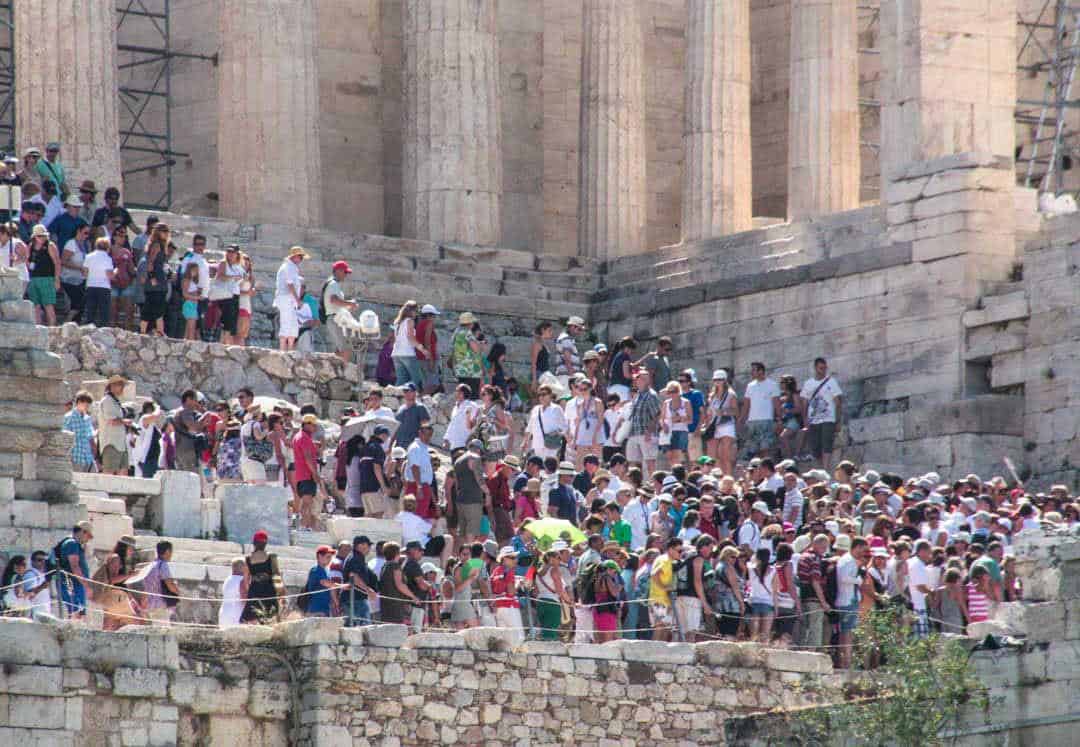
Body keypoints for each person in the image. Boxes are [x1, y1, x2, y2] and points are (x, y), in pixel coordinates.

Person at [801, 357, 844, 470]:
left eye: (825, 368)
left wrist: (838, 420)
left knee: (827, 444)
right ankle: (821, 468)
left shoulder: (831, 382)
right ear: (815, 368)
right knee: (815, 447)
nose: (823, 370)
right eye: (821, 368)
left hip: (828, 418)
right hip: (813, 419)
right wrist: (805, 419)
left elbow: (838, 402)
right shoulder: (808, 383)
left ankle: (825, 468)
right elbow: (804, 403)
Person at [626, 369, 662, 474]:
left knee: (650, 462)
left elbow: (658, 414)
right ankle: (636, 482)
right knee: (633, 463)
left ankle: (651, 482)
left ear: (647, 380)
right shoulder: (638, 395)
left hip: (646, 434)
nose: (637, 380)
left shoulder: (651, 395)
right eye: (637, 378)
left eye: (640, 378)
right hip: (634, 433)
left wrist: (649, 431)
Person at [242, 531, 283, 623]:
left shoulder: (248, 559)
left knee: (252, 619)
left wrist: (249, 592)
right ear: (265, 543)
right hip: (269, 589)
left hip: (254, 590)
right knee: (271, 618)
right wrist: (281, 592)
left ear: (254, 543)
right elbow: (276, 575)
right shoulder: (271, 556)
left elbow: (246, 579)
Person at [704, 370, 739, 476]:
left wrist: (724, 412)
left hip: (727, 425)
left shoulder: (731, 394)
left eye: (720, 379)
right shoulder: (712, 395)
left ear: (725, 380)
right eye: (715, 380)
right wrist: (706, 424)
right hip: (714, 426)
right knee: (713, 455)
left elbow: (736, 411)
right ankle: (718, 476)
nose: (717, 382)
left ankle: (728, 477)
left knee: (725, 455)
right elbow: (709, 413)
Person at [293, 413, 325, 531]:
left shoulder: (300, 436)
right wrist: (315, 474)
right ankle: (303, 528)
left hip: (302, 475)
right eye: (313, 425)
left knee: (307, 502)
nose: (315, 428)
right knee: (307, 502)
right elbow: (307, 458)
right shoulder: (304, 438)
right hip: (307, 475)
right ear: (306, 424)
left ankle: (305, 527)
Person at [274, 246, 309, 351]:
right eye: (300, 256)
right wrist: (298, 300)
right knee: (286, 323)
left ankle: (289, 350)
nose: (301, 259)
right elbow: (290, 284)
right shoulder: (288, 267)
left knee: (293, 325)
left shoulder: (292, 267)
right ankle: (282, 350)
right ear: (294, 256)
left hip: (290, 300)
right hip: (286, 298)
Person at [648, 538, 683, 642]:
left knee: (665, 630)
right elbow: (654, 574)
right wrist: (665, 588)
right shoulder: (665, 559)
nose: (681, 554)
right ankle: (653, 651)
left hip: (665, 601)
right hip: (659, 600)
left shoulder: (668, 560)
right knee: (660, 629)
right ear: (671, 549)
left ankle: (659, 652)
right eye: (679, 551)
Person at [139, 223, 170, 335]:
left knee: (157, 308)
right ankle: (149, 331)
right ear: (157, 232)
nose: (166, 233)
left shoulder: (162, 245)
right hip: (155, 282)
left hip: (160, 281)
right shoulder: (156, 245)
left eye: (167, 231)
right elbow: (150, 263)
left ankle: (158, 331)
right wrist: (152, 277)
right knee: (152, 307)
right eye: (163, 231)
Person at [26, 223, 60, 325]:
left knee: (48, 305)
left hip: (47, 278)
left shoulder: (50, 245)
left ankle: (52, 329)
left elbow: (57, 262)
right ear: (34, 237)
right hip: (33, 278)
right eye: (39, 236)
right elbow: (27, 260)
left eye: (43, 235)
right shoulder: (31, 246)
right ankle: (38, 329)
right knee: (35, 306)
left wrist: (57, 279)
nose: (42, 238)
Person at [534, 549, 572, 640]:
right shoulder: (554, 570)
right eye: (558, 558)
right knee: (551, 632)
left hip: (540, 602)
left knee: (544, 630)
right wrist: (570, 602)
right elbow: (560, 591)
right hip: (552, 603)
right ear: (550, 559)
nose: (560, 560)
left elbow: (536, 591)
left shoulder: (538, 572)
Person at [526, 385, 568, 461]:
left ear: (550, 395)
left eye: (544, 394)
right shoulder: (535, 409)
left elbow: (565, 427)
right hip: (537, 444)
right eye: (539, 395)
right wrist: (525, 441)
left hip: (551, 444)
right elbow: (530, 427)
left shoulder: (556, 409)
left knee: (549, 466)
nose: (541, 397)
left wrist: (557, 433)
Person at [390, 299, 426, 386]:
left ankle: (395, 394)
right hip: (408, 353)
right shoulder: (410, 321)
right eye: (416, 311)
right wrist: (422, 349)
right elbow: (410, 338)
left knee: (401, 381)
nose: (417, 314)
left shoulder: (397, 322)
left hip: (396, 354)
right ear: (411, 311)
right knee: (417, 380)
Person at [142, 541, 179, 623]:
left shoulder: (151, 565)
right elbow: (170, 584)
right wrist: (179, 593)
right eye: (171, 551)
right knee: (163, 628)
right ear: (167, 551)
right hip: (161, 604)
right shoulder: (163, 565)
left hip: (150, 604)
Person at [450, 311, 485, 396]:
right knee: (472, 395)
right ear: (470, 323)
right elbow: (476, 349)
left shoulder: (457, 333)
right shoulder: (467, 333)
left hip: (461, 369)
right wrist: (481, 345)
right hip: (471, 371)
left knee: (463, 394)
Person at [304, 546, 342, 618]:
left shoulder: (326, 572)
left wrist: (337, 603)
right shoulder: (316, 570)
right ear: (319, 556)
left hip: (325, 609)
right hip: (315, 609)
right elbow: (325, 583)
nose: (330, 559)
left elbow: (331, 589)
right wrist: (342, 586)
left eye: (330, 557)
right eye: (328, 557)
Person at [219, 558, 249, 628]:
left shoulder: (227, 580)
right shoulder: (242, 581)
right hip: (237, 615)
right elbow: (245, 600)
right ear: (243, 568)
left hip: (224, 613)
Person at [530, 321, 555, 392]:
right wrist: (534, 380)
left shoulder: (543, 343)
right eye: (549, 330)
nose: (551, 333)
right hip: (540, 374)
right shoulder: (537, 344)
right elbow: (533, 363)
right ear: (543, 330)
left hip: (545, 373)